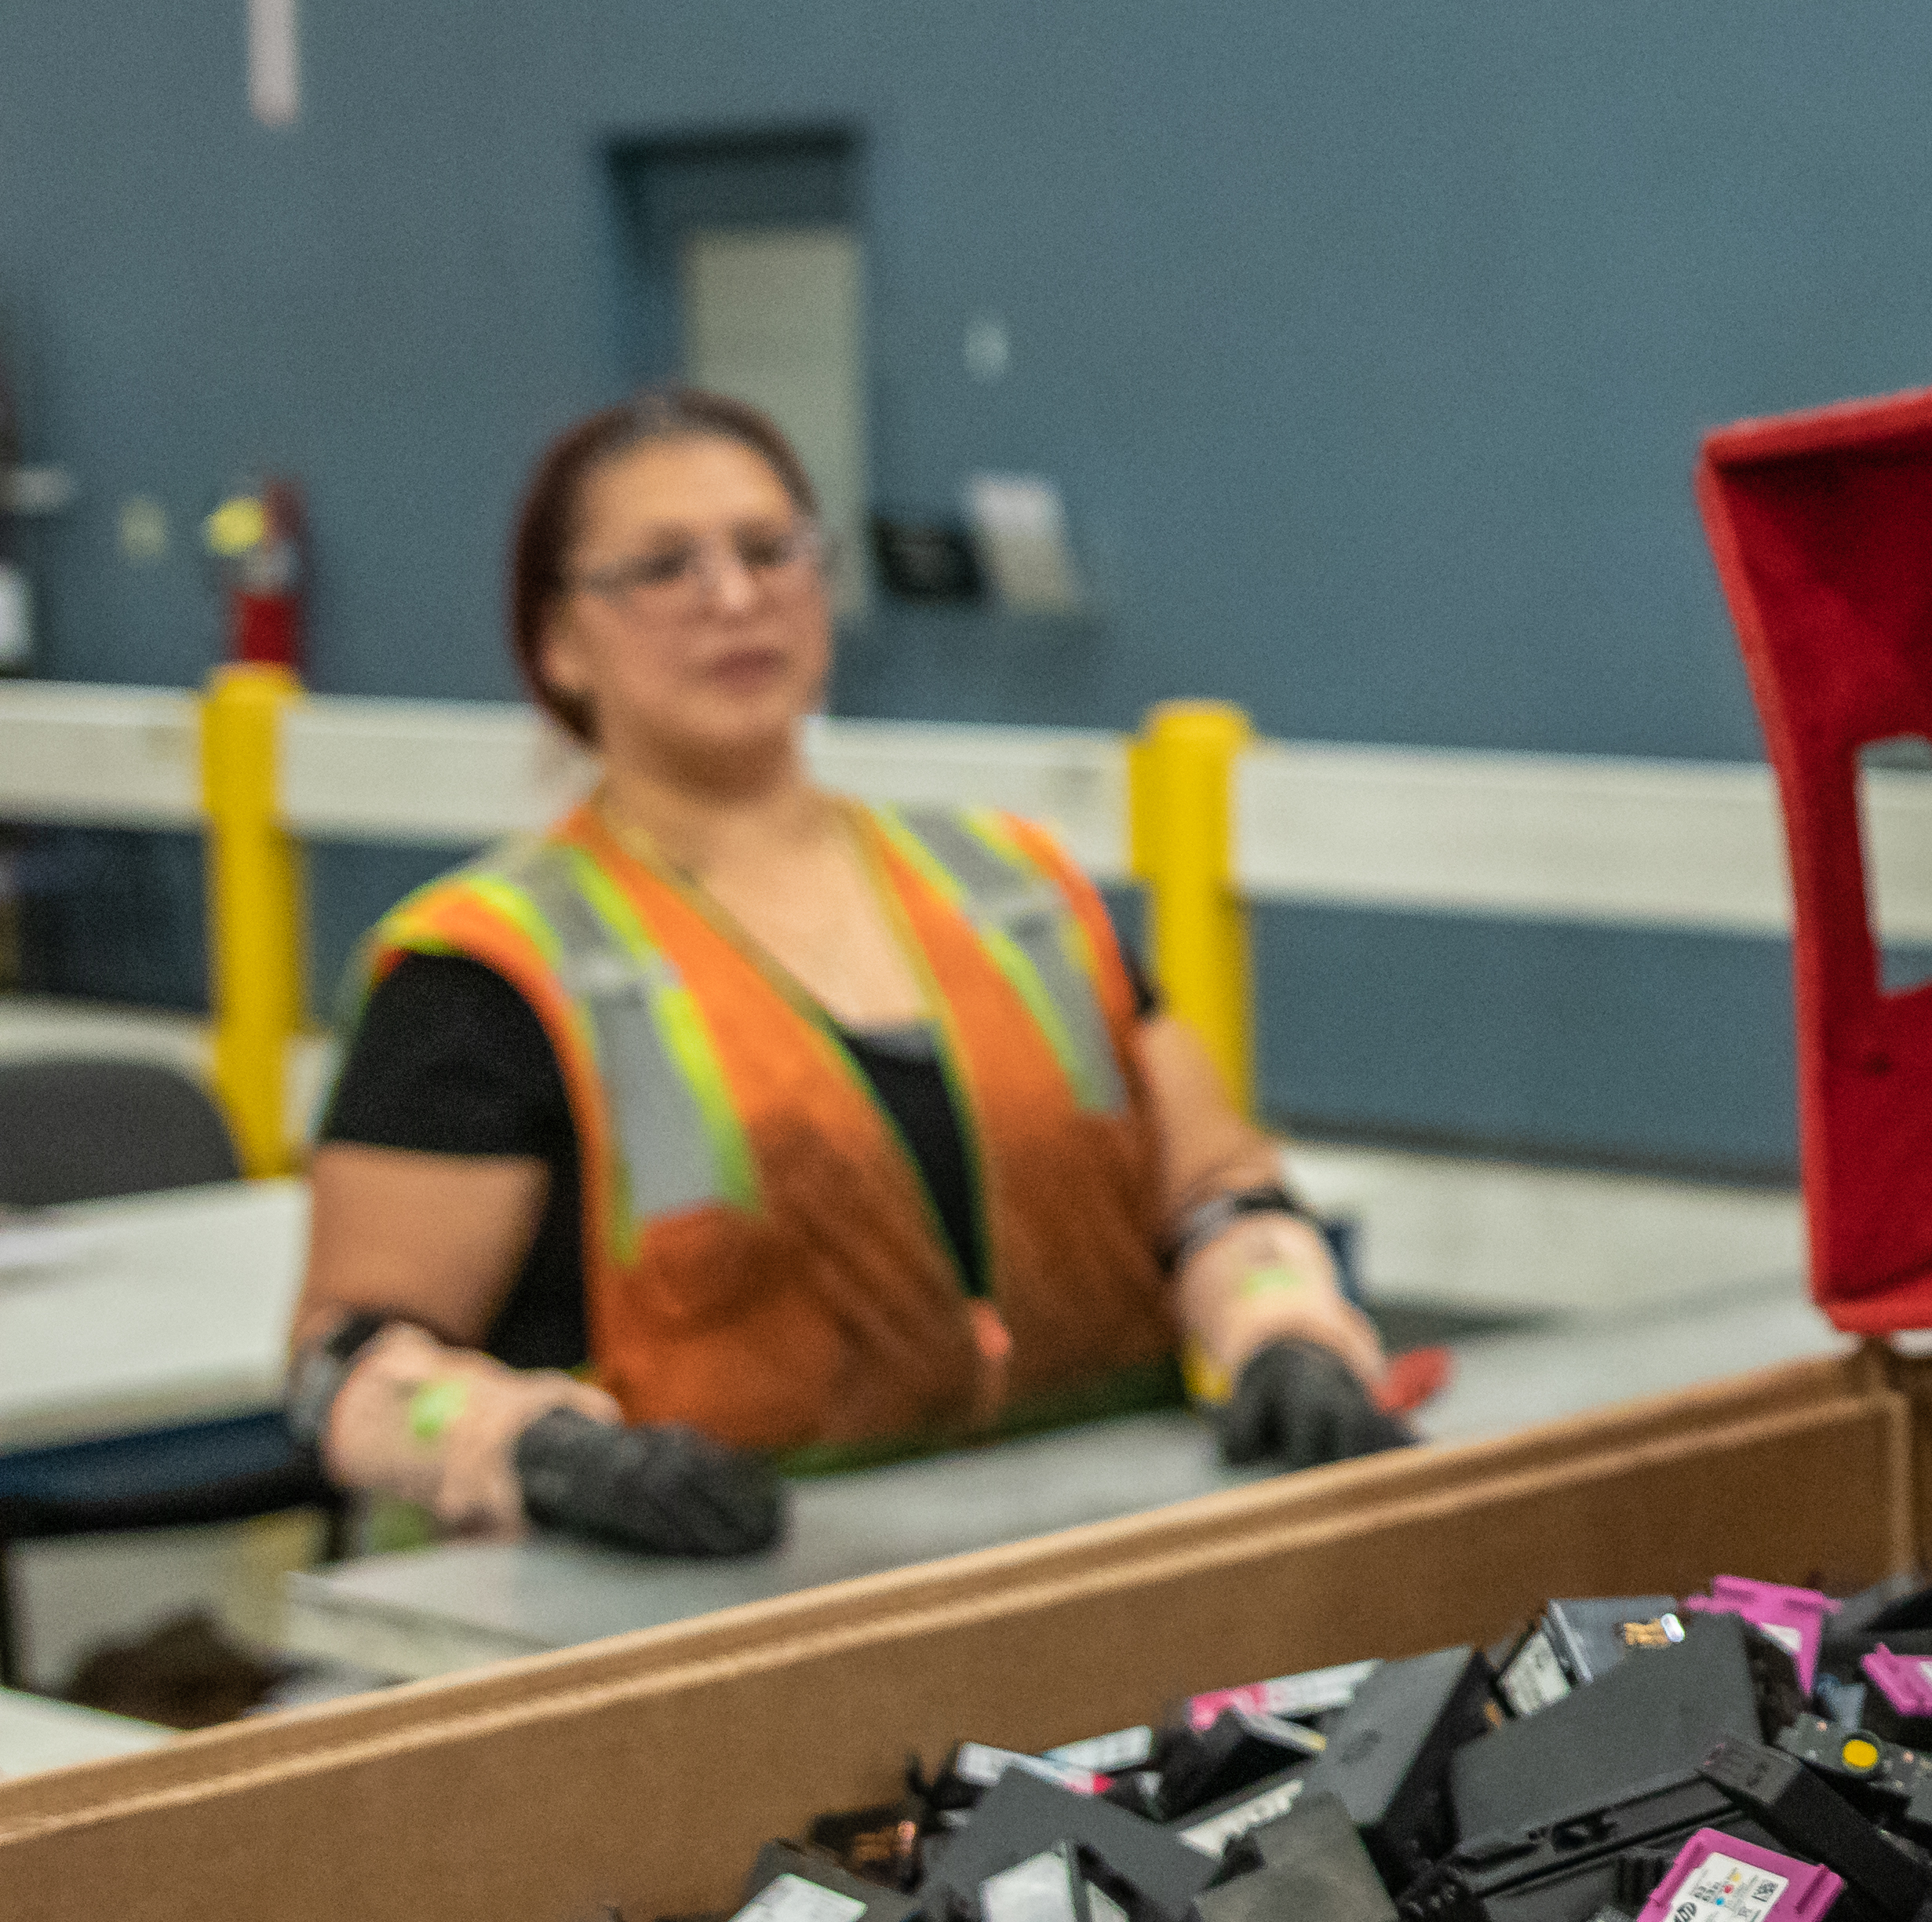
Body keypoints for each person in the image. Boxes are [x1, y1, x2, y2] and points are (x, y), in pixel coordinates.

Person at [280, 392, 1401, 1552]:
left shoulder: (1014, 890)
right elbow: (344, 1364)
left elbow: (1215, 1191)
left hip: (1097, 1568)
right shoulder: (485, 969)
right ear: (557, 640)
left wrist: (1285, 1329)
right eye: (662, 567)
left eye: (770, 551)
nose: (734, 596)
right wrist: (536, 1450)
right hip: (684, 1614)